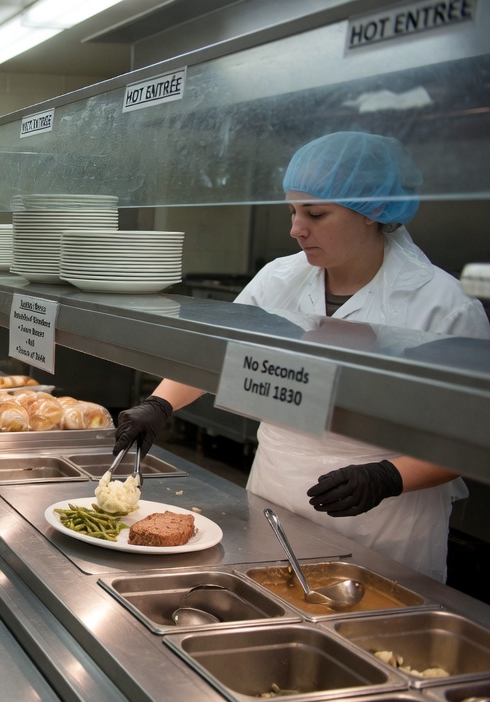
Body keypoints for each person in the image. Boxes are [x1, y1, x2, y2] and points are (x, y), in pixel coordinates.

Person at [115, 131, 490, 581]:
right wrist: (160, 403)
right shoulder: (280, 279)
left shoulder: (440, 303)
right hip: (276, 491)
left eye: (315, 213)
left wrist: (387, 477)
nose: (296, 229)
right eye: (293, 211)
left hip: (384, 520)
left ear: (372, 211)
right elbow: (217, 354)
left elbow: (472, 436)